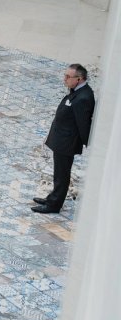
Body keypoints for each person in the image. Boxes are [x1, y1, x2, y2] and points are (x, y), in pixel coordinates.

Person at [32, 63, 95, 214]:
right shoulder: (77, 91)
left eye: (68, 77)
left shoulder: (83, 97)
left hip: (67, 143)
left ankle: (54, 205)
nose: (64, 79)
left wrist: (87, 143)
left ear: (79, 79)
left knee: (62, 174)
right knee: (59, 172)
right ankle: (52, 197)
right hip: (61, 139)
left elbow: (83, 124)